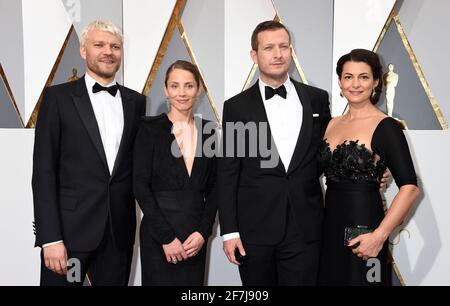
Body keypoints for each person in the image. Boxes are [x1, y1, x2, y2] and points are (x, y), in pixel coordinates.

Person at [32, 20, 146, 286]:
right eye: (99, 45)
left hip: (118, 235)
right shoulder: (57, 98)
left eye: (115, 46)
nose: (108, 51)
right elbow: (43, 172)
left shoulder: (136, 102)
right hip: (68, 237)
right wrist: (50, 238)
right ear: (84, 51)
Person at [217, 20, 331, 286]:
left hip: (305, 226)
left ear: (291, 51)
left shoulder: (316, 99)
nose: (278, 54)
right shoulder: (236, 107)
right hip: (253, 230)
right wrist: (229, 232)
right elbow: (228, 172)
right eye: (269, 48)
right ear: (254, 56)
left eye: (283, 46)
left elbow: (327, 155)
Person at [318, 49, 420, 286]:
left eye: (363, 77)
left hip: (365, 226)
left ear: (375, 82)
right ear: (340, 81)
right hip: (329, 226)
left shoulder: (386, 127)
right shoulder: (330, 124)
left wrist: (379, 236)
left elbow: (410, 187)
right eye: (348, 77)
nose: (355, 84)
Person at [133, 60, 217, 286]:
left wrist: (203, 232)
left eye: (189, 86)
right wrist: (166, 238)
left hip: (195, 238)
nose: (182, 93)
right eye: (175, 86)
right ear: (166, 89)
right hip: (159, 236)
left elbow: (215, 189)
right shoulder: (149, 129)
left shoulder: (209, 131)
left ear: (198, 90)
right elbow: (140, 187)